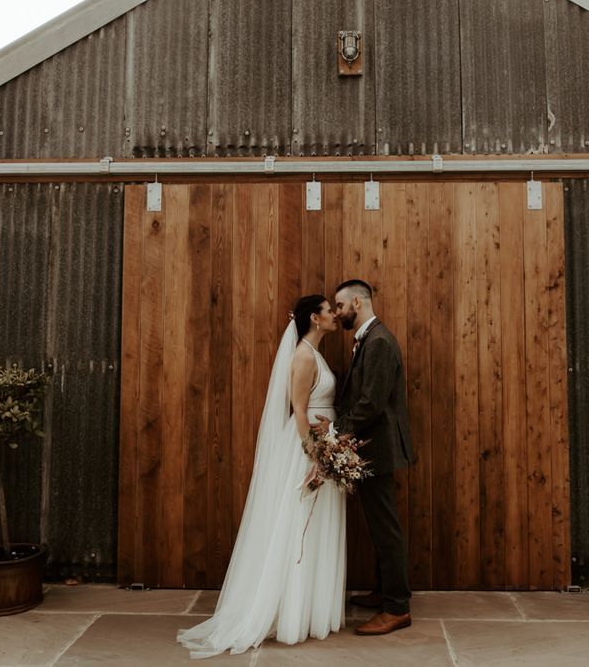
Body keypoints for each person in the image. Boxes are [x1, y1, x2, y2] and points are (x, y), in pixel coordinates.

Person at [177, 295, 346, 658]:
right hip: (307, 448)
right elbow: (300, 410)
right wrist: (315, 456)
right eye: (330, 310)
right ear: (315, 319)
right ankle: (287, 611)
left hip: (323, 441)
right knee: (297, 524)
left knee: (316, 527)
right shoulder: (302, 355)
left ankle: (309, 607)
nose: (335, 314)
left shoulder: (314, 353)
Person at [317, 279, 415, 636]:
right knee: (379, 524)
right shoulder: (370, 340)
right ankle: (384, 590)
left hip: (378, 448)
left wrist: (335, 432)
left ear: (357, 303)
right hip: (371, 447)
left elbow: (371, 403)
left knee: (385, 527)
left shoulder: (378, 342)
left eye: (340, 306)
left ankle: (397, 608)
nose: (338, 313)